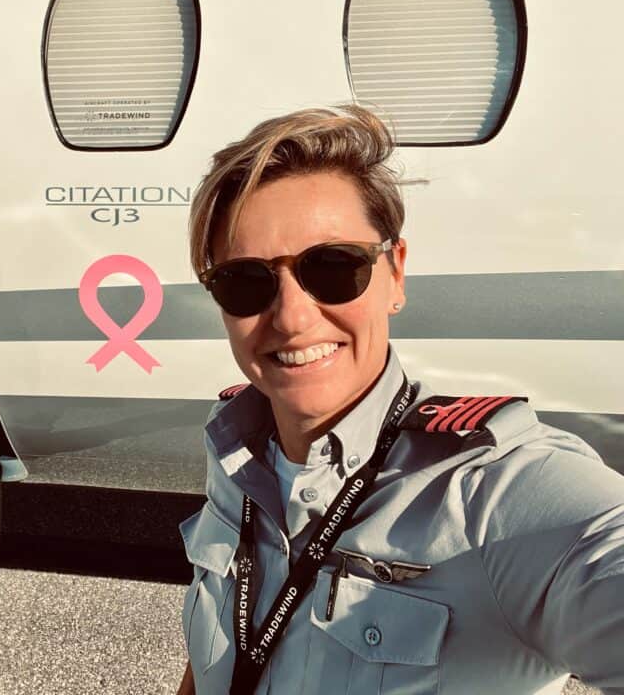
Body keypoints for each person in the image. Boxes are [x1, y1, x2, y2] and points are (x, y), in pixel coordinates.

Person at [176, 105, 624, 695]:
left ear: (396, 273)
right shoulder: (235, 447)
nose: (291, 316)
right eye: (246, 282)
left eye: (333, 268)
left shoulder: (495, 493)